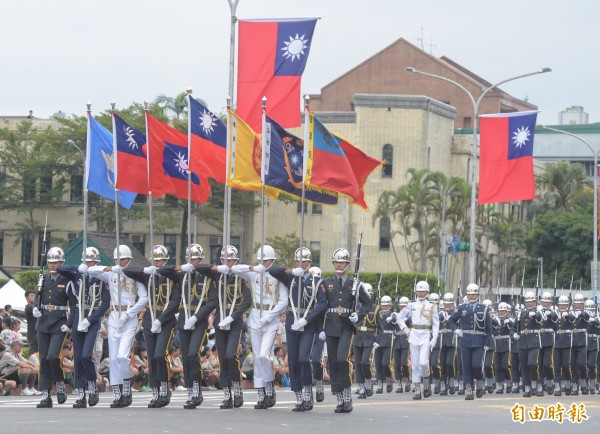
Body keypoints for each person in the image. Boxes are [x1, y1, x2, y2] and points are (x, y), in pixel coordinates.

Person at [87, 244, 148, 408]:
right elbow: (90, 270)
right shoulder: (111, 273)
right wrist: (112, 268)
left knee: (122, 356)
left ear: (129, 259)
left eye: (123, 259)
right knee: (113, 359)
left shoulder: (134, 275)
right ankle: (117, 394)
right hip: (114, 317)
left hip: (128, 318)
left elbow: (144, 299)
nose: (121, 262)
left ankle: (127, 389)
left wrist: (129, 314)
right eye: (118, 259)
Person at [159, 243, 219, 409]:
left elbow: (212, 300)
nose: (192, 261)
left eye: (195, 258)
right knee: (186, 357)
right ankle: (190, 391)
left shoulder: (207, 277)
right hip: (184, 320)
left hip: (198, 322)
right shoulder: (182, 275)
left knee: (193, 354)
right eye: (190, 258)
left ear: (201, 259)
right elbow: (163, 270)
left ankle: (197, 389)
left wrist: (197, 317)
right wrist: (181, 267)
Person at [231, 245, 289, 409]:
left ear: (272, 260)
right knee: (257, 357)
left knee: (265, 355)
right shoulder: (254, 273)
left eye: (266, 260)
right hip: (256, 317)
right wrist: (252, 267)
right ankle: (261, 393)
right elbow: (234, 269)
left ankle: (270, 387)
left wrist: (269, 317)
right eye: (260, 260)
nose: (263, 262)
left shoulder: (278, 277)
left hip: (270, 320)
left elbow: (284, 301)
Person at [269, 247, 327, 411]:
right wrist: (292, 270)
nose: (301, 264)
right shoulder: (291, 278)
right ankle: (299, 396)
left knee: (303, 359)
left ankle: (308, 394)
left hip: (308, 324)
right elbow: (273, 270)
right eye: (298, 261)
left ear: (310, 262)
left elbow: (322, 304)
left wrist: (306, 320)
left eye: (304, 261)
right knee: (293, 361)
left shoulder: (316, 281)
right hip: (292, 323)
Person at [124, 245, 181, 408]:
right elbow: (128, 271)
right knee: (151, 358)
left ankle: (164, 388)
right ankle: (155, 391)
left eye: (160, 261)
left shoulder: (172, 278)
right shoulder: (149, 276)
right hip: (150, 319)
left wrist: (161, 320)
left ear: (166, 261)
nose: (157, 263)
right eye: (155, 261)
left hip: (165, 321)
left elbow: (175, 302)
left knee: (159, 355)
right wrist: (146, 270)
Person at [56, 247, 111, 408]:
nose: (89, 263)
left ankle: (92, 385)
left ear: (97, 262)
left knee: (87, 356)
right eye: (87, 261)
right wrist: (77, 268)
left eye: (92, 261)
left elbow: (105, 303)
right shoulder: (77, 274)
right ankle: (81, 394)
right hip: (77, 318)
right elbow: (60, 268)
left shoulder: (101, 278)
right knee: (78, 358)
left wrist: (92, 319)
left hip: (92, 320)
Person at [322, 248, 373, 414]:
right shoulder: (327, 282)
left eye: (341, 262)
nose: (338, 264)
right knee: (334, 363)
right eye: (336, 262)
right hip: (330, 325)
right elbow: (321, 305)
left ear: (347, 264)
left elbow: (368, 304)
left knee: (342, 359)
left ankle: (346, 395)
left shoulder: (355, 284)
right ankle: (339, 399)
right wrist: (320, 328)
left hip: (346, 326)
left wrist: (358, 315)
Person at [33, 246, 77, 408]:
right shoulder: (43, 279)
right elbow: (38, 296)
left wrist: (69, 324)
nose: (52, 265)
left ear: (61, 262)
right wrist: (35, 309)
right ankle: (45, 395)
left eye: (56, 262)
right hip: (43, 322)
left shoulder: (67, 280)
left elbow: (73, 304)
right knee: (43, 359)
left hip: (59, 323)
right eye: (50, 262)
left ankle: (59, 383)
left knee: (53, 357)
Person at [212, 246, 252, 409]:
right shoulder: (218, 278)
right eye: (223, 260)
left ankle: (237, 388)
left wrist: (233, 316)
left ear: (235, 261)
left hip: (234, 321)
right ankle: (227, 393)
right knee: (222, 357)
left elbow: (247, 301)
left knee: (231, 355)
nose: (226, 263)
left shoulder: (241, 279)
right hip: (220, 320)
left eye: (229, 260)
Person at [394, 281, 439, 400]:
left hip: (425, 334)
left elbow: (436, 324)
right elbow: (399, 317)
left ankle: (426, 381)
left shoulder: (432, 306)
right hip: (414, 334)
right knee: (415, 365)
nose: (420, 293)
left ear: (427, 292)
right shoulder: (411, 305)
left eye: (423, 291)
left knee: (423, 363)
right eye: (418, 291)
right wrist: (405, 329)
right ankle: (417, 389)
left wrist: (434, 338)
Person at [448, 283, 492, 400]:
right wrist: (456, 329)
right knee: (466, 366)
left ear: (478, 295)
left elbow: (489, 329)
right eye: (469, 294)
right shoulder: (462, 308)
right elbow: (451, 320)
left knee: (477, 365)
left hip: (479, 340)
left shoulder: (484, 308)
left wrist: (487, 343)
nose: (471, 297)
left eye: (473, 294)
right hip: (465, 340)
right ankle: (468, 389)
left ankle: (479, 383)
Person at [512, 291, 543, 398]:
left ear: (534, 301)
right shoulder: (521, 313)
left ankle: (536, 383)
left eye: (531, 302)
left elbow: (540, 320)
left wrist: (536, 315)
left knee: (532, 364)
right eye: (527, 302)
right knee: (524, 366)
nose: (529, 303)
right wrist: (514, 334)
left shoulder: (538, 311)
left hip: (534, 342)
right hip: (522, 343)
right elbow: (514, 327)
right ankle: (527, 387)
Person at [353, 283, 376, 398]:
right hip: (357, 337)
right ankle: (361, 388)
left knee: (364, 362)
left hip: (369, 338)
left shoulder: (374, 308)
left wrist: (378, 340)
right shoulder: (355, 307)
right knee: (357, 364)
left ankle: (368, 381)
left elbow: (379, 327)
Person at [538, 292, 558, 396]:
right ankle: (541, 384)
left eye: (547, 302)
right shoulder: (537, 311)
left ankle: (550, 382)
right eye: (544, 302)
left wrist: (551, 313)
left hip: (549, 340)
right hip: (538, 340)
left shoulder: (553, 312)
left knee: (547, 364)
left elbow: (556, 322)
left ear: (550, 302)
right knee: (539, 364)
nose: (545, 304)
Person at [492, 302, 513, 394]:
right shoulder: (495, 320)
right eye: (500, 311)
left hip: (506, 344)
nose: (502, 313)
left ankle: (508, 382)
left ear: (507, 311)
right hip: (497, 344)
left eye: (504, 311)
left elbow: (513, 328)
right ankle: (499, 385)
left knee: (505, 366)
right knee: (497, 367)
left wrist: (509, 322)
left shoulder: (510, 320)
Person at [438, 293, 457, 395]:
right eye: (445, 304)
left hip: (452, 341)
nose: (447, 306)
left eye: (449, 304)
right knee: (442, 364)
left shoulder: (455, 313)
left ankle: (452, 381)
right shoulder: (440, 313)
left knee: (450, 363)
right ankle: (443, 385)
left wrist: (449, 317)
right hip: (442, 341)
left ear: (453, 304)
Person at [392, 296, 411, 393]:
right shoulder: (396, 315)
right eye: (401, 306)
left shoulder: (410, 316)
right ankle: (399, 384)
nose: (402, 308)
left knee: (404, 363)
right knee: (397, 364)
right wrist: (392, 318)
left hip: (405, 340)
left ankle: (407, 381)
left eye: (404, 306)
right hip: (397, 341)